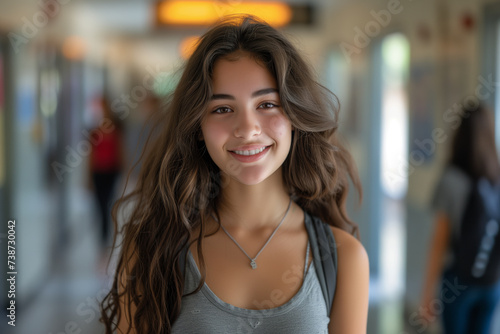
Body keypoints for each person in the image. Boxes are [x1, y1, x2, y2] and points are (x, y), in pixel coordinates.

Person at [100, 16, 369, 334]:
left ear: (295, 116)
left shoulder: (342, 256)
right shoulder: (151, 248)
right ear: (197, 128)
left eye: (267, 104)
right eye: (223, 109)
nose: (247, 129)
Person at [420, 102, 500, 334]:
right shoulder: (496, 176)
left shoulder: (450, 179)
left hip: (459, 281)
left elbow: (439, 241)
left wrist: (427, 294)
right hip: (491, 282)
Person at [88, 97, 125, 247]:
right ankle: (102, 236)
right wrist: (88, 177)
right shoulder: (94, 131)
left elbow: (120, 150)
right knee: (99, 203)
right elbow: (91, 155)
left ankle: (106, 235)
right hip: (98, 171)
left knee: (108, 202)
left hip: (111, 170)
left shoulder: (116, 128)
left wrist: (125, 170)